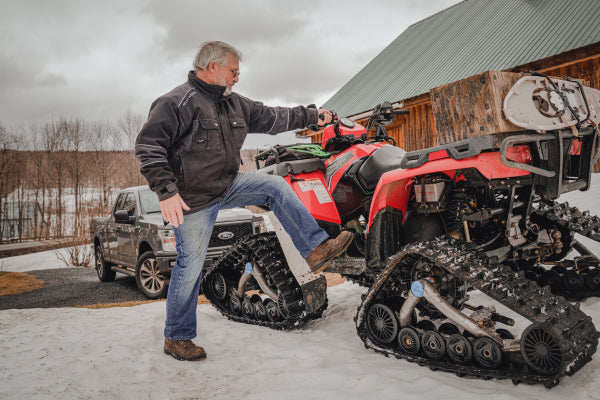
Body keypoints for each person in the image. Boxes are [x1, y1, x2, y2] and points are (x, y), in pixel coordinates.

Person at [135, 41, 353, 362]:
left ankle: (315, 248)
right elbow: (148, 146)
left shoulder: (234, 103)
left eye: (238, 73)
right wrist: (166, 191)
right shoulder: (177, 102)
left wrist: (311, 115)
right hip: (192, 199)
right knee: (190, 267)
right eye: (233, 71)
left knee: (274, 186)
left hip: (228, 184)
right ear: (212, 67)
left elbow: (272, 116)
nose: (237, 77)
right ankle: (177, 337)